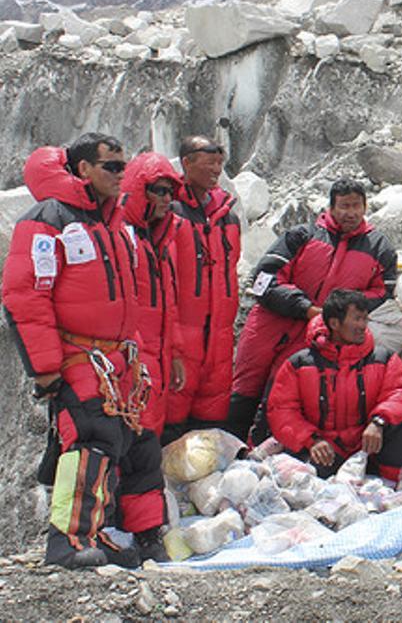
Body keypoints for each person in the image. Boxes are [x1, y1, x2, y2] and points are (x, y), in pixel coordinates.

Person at [2, 134, 167, 567]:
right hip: (80, 356)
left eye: (123, 165)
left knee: (137, 443)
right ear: (82, 170)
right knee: (91, 440)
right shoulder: (47, 220)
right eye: (111, 166)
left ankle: (133, 536)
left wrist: (141, 352)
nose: (121, 174)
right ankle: (68, 542)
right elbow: (26, 297)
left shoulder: (115, 223)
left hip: (121, 359)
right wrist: (44, 370)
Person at [232, 178, 398, 442]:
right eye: (344, 206)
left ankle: (265, 451)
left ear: (366, 207)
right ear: (330, 208)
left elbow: (382, 292)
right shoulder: (302, 235)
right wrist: (304, 307)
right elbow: (264, 278)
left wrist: (339, 311)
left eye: (356, 206)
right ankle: (230, 446)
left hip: (322, 334)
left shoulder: (379, 248)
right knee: (244, 389)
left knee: (286, 394)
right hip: (271, 324)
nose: (351, 213)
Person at [267, 289, 402, 479]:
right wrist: (312, 440)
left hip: (369, 445)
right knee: (304, 478)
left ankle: (392, 487)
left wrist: (379, 422)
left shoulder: (384, 359)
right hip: (325, 449)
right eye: (357, 319)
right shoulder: (299, 364)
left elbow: (400, 393)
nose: (363, 326)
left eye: (365, 319)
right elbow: (282, 410)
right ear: (334, 323)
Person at [169, 135, 240, 442]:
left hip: (220, 337)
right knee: (170, 421)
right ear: (186, 162)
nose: (216, 170)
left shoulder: (229, 217)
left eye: (220, 164)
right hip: (182, 337)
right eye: (209, 162)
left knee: (209, 427)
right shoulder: (169, 211)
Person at [120, 152, 186, 438]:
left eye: (170, 191)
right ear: (138, 190)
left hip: (156, 355)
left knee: (148, 436)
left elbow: (169, 305)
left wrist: (176, 354)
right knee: (132, 435)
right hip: (132, 359)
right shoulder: (122, 236)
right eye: (158, 190)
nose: (166, 198)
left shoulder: (158, 240)